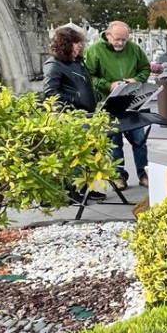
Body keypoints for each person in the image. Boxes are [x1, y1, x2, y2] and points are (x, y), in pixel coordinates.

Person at [84, 21, 151, 189]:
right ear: (108, 35)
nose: (121, 43)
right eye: (117, 39)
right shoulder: (94, 51)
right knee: (114, 143)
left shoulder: (134, 49)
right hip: (108, 104)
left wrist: (136, 80)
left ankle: (143, 174)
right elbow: (88, 77)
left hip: (132, 102)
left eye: (124, 40)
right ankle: (119, 176)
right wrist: (108, 85)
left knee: (139, 140)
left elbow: (145, 68)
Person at [42, 25, 104, 201]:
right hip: (69, 117)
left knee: (88, 154)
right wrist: (76, 98)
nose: (79, 46)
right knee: (73, 156)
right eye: (75, 43)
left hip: (86, 114)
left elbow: (85, 85)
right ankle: (72, 191)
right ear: (65, 44)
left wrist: (94, 96)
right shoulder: (53, 64)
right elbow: (50, 92)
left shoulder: (77, 62)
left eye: (79, 43)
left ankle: (86, 188)